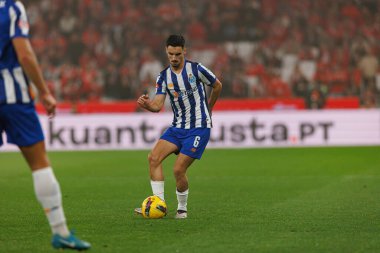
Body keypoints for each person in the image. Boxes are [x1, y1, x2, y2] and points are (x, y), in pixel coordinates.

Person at [0, 1, 90, 250]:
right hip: (13, 97)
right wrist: (44, 92)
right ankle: (60, 230)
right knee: (39, 163)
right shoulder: (11, 7)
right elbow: (25, 54)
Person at [135, 35, 222, 218]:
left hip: (199, 127)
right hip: (177, 127)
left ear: (184, 51)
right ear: (166, 52)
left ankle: (182, 208)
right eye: (170, 54)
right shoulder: (163, 76)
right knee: (153, 158)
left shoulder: (196, 69)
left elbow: (217, 85)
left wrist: (209, 107)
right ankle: (160, 204)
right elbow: (158, 105)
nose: (174, 58)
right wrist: (147, 105)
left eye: (177, 54)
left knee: (178, 169)